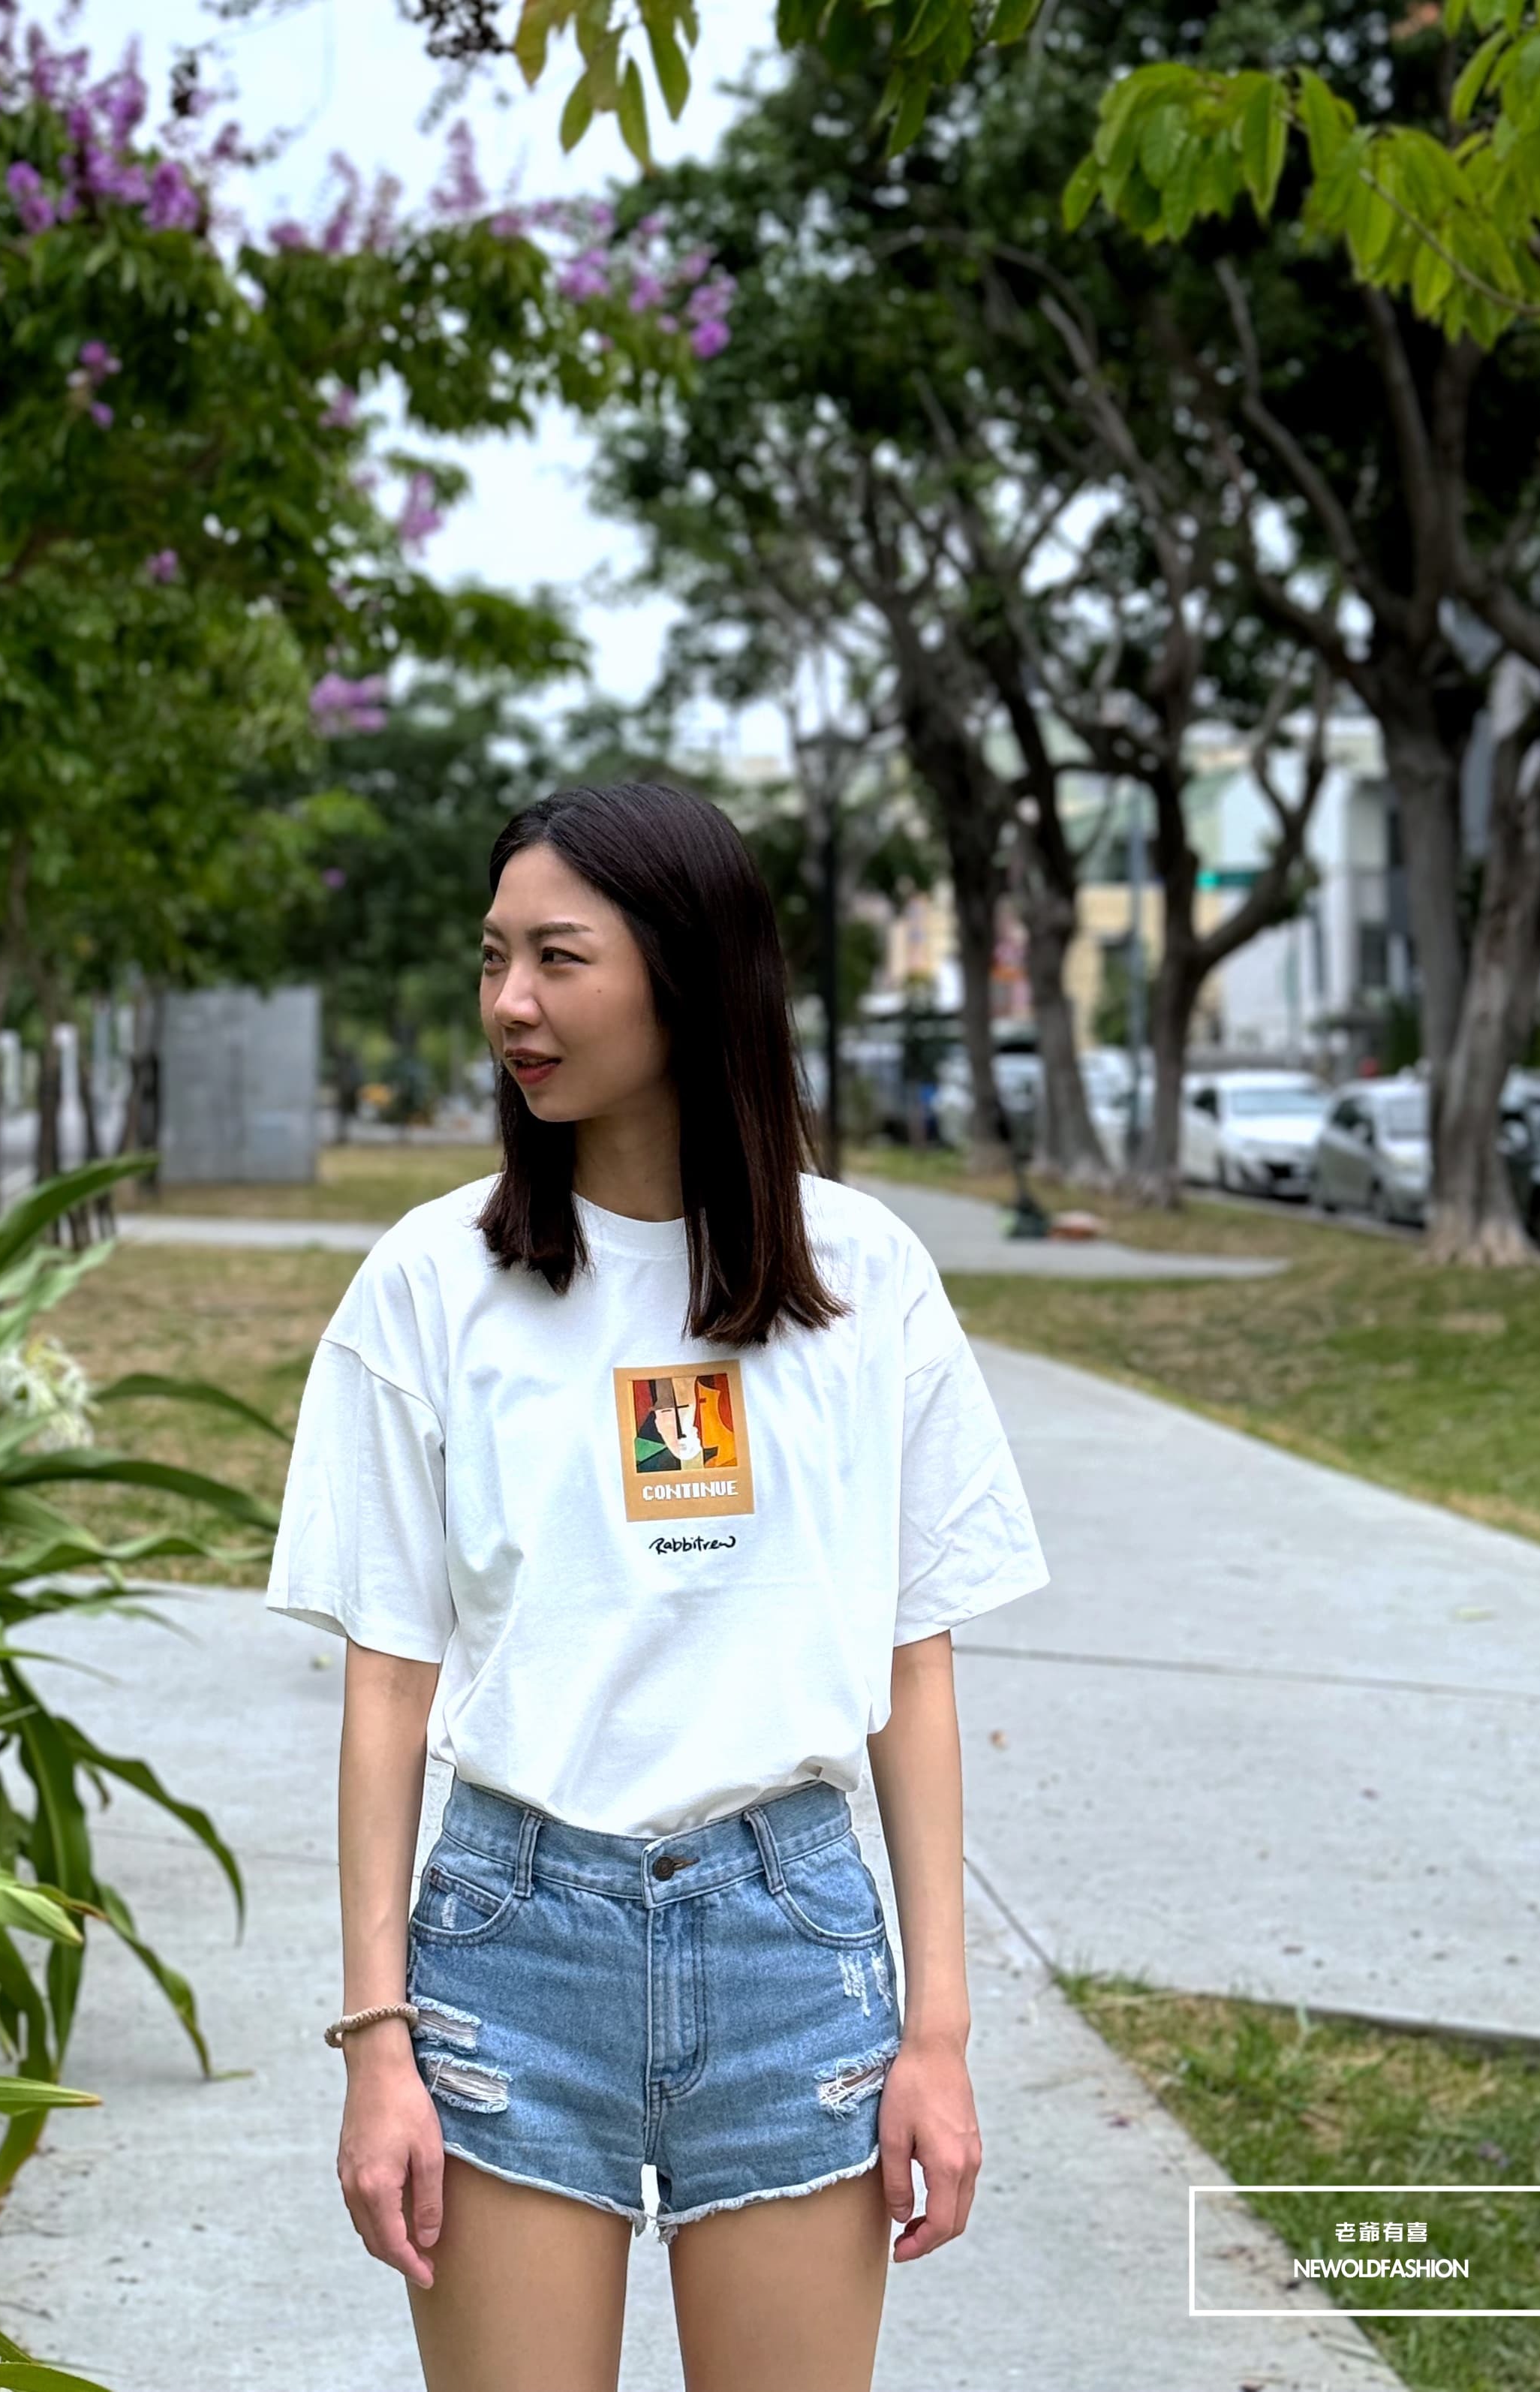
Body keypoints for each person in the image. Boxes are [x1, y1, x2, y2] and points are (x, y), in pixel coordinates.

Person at [265, 780, 1051, 2392]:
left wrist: (941, 2035)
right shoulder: (431, 1284)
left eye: (558, 958)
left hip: (791, 1951)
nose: (510, 1003)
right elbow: (387, 1687)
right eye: (494, 958)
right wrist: (376, 2044)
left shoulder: (865, 1280)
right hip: (510, 1946)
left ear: (688, 974)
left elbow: (913, 1665)